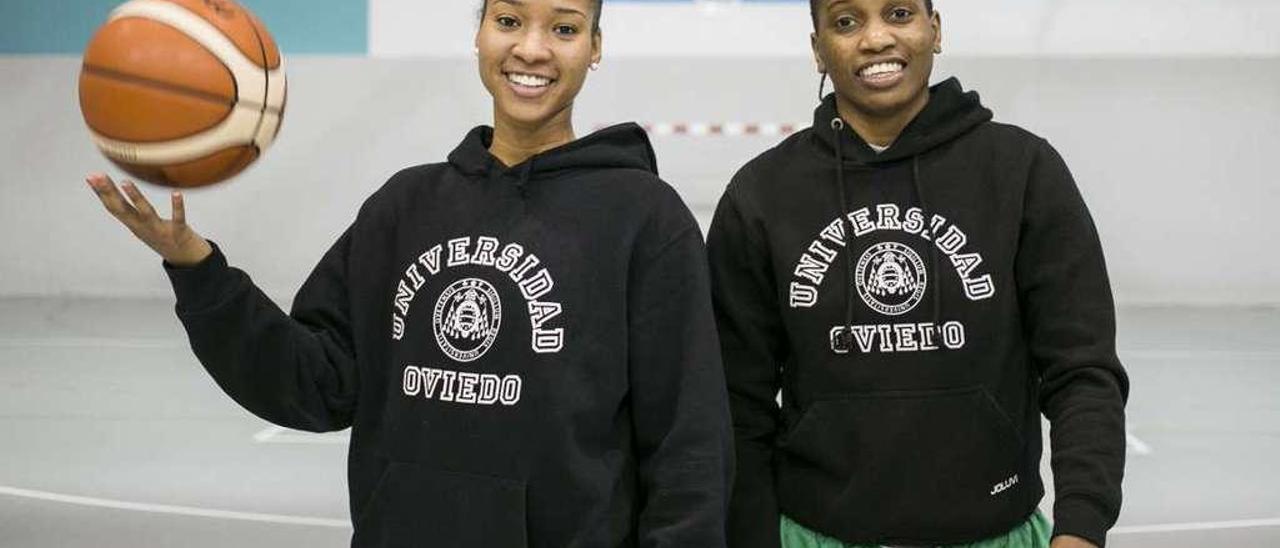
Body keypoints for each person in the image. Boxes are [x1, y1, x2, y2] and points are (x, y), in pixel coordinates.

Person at [85, 0, 733, 546]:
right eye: (509, 20)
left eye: (563, 28)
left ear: (595, 47)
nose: (531, 49)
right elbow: (315, 383)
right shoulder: (405, 206)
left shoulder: (645, 218)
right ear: (479, 33)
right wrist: (196, 265)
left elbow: (689, 442)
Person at [708, 1, 1128, 547]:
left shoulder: (1022, 171)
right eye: (845, 21)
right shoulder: (762, 195)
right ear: (817, 50)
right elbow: (737, 401)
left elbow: (1082, 369)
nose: (876, 38)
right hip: (814, 534)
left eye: (900, 13)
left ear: (935, 30)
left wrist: (1082, 526)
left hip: (994, 532)